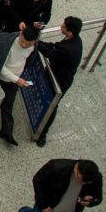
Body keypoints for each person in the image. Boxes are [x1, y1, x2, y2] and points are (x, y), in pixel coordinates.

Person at [14, 159, 103, 212]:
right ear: (76, 169)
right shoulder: (56, 166)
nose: (83, 184)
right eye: (81, 180)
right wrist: (43, 205)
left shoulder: (95, 178)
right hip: (47, 209)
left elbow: (98, 198)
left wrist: (91, 202)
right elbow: (38, 181)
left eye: (87, 183)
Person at [0, 24, 39, 145]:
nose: (24, 46)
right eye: (23, 42)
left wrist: (16, 79)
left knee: (8, 104)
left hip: (14, 79)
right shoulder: (6, 43)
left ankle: (7, 131)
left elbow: (27, 60)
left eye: (28, 44)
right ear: (20, 33)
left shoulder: (34, 46)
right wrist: (17, 79)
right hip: (0, 77)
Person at [34, 17, 84, 146]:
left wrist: (37, 44)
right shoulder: (74, 41)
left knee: (52, 105)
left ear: (70, 32)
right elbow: (55, 47)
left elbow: (52, 52)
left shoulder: (69, 49)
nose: (61, 26)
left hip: (59, 80)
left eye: (63, 26)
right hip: (56, 73)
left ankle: (42, 133)